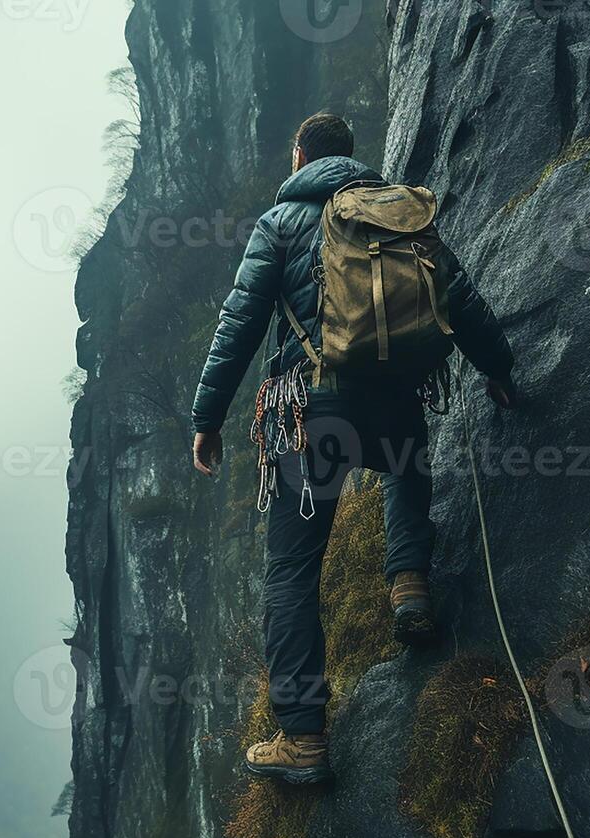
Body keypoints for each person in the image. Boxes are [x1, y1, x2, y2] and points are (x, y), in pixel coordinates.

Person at [189, 112, 517, 784]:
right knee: (404, 464)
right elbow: (459, 297)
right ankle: (410, 590)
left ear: (299, 155)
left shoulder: (279, 226)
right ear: (351, 159)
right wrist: (500, 370)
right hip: (393, 395)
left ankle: (304, 741)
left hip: (310, 413)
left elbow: (239, 325)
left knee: (291, 572)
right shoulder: (398, 216)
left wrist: (208, 417)